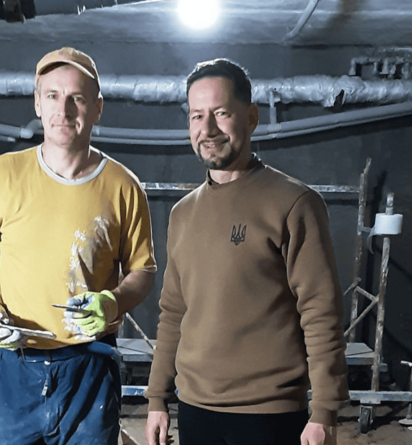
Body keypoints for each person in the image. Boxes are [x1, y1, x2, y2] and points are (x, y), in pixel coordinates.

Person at [145, 59, 349, 445]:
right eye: (196, 116)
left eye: (221, 113)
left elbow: (321, 311)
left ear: (251, 117)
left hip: (269, 413)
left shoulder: (294, 203)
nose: (207, 129)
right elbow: (173, 313)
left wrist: (325, 410)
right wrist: (158, 398)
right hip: (195, 408)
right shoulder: (182, 213)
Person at [0, 47, 157, 445]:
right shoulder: (0, 174)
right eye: (52, 95)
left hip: (88, 369)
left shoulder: (123, 186)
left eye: (77, 98)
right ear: (37, 103)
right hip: (12, 366)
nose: (63, 110)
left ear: (97, 108)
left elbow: (143, 271)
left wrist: (113, 302)